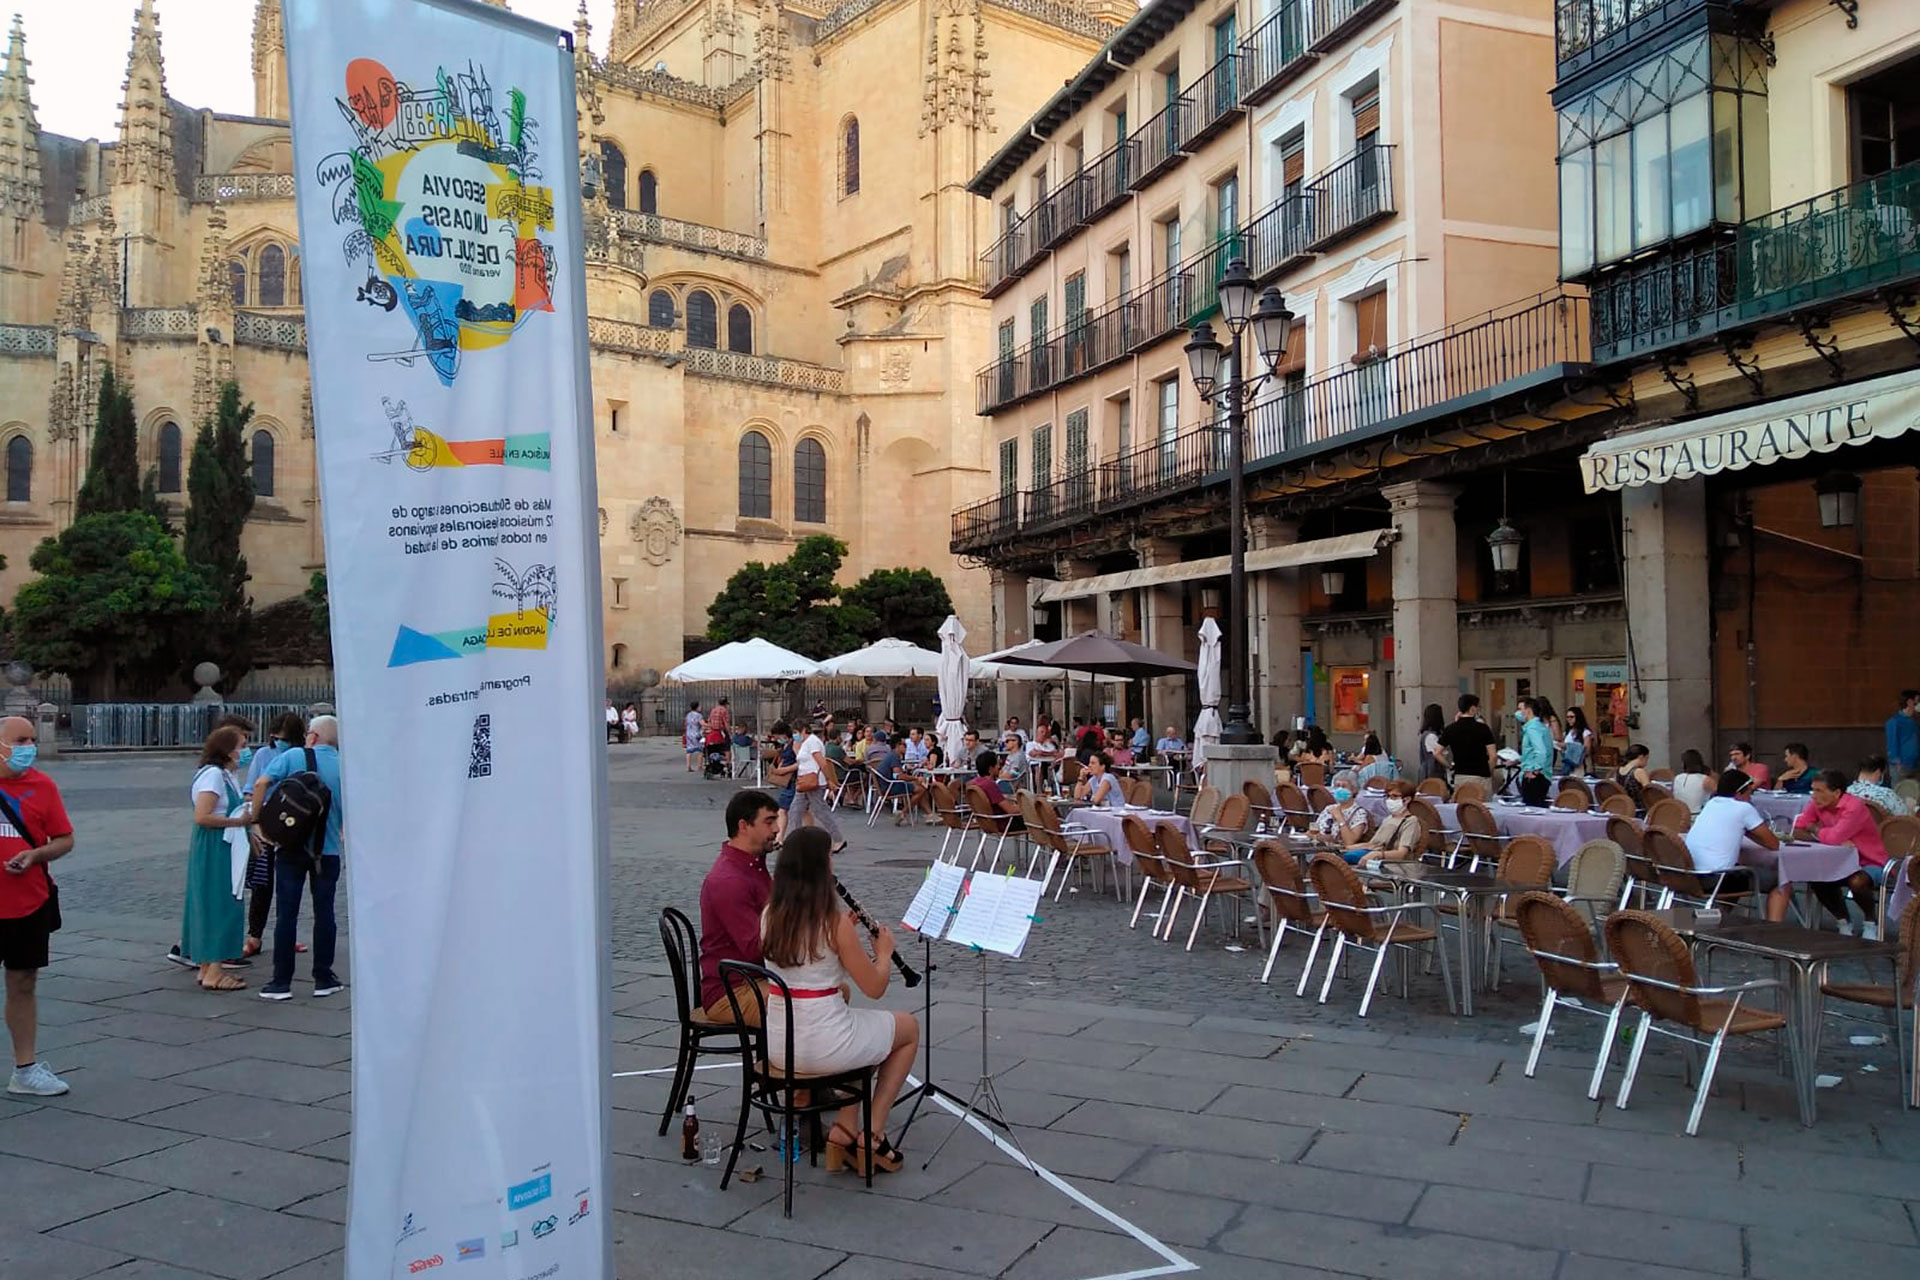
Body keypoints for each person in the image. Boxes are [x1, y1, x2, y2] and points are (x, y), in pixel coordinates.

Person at [760, 827, 919, 1175]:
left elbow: (809, 964)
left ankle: (844, 1130)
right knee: (906, 1029)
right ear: (819, 868)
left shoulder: (770, 914)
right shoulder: (833, 923)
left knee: (859, 1027)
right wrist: (883, 952)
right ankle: (872, 1135)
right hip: (823, 1044)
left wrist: (843, 945)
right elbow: (875, 987)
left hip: (779, 1044)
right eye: (829, 858)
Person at [0, 715, 75, 1096]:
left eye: (32, 739)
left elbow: (64, 839)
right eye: (20, 740)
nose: (29, 747)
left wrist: (36, 854)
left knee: (23, 982)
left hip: (28, 901)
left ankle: (25, 1070)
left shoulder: (42, 786)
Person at [251, 716, 345, 1000]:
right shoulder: (346, 765)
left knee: (286, 915)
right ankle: (323, 978)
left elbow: (261, 783)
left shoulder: (293, 756)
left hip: (290, 848)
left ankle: (281, 982)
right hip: (326, 852)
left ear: (314, 736)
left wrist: (257, 823)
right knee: (325, 913)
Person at [1767, 769, 1888, 936]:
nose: (1814, 796)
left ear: (1837, 792)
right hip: (1836, 859)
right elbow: (1797, 829)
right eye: (1813, 790)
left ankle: (1870, 921)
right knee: (1816, 876)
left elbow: (1834, 837)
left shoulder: (1854, 807)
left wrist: (1815, 829)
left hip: (1868, 861)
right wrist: (1823, 833)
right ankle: (1843, 920)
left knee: (1857, 881)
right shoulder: (1817, 804)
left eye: (1819, 791)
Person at [699, 790, 780, 1025]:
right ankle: (785, 1061)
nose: (776, 829)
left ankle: (787, 1059)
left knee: (834, 993)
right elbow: (756, 948)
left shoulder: (753, 867)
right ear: (744, 826)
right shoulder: (729, 880)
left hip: (755, 978)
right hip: (731, 990)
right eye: (769, 821)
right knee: (812, 1005)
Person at [184, 725, 253, 994]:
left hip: (225, 843)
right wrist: (237, 821)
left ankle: (208, 967)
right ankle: (213, 970)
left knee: (218, 901)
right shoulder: (213, 776)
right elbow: (202, 816)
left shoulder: (225, 775)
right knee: (218, 903)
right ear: (227, 750)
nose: (244, 752)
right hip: (216, 845)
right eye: (241, 746)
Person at [241, 712, 306, 960]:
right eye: (275, 738)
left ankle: (286, 935)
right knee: (262, 883)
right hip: (268, 822)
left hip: (294, 825)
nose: (279, 743)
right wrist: (255, 821)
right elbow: (252, 788)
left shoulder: (301, 755)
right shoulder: (263, 755)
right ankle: (254, 935)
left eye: (284, 739)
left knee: (288, 883)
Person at [1684, 769, 1777, 874]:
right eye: (1749, 792)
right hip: (1718, 877)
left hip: (1692, 875)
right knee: (1778, 879)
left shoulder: (1711, 803)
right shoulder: (1744, 808)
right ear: (1738, 794)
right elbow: (1774, 844)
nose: (1750, 797)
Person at [789, 720, 848, 855]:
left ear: (803, 730)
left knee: (819, 811)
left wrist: (829, 780)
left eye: (796, 732)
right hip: (805, 781)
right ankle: (795, 841)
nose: (795, 735)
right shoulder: (805, 743)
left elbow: (822, 762)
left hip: (813, 782)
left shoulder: (812, 742)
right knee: (796, 810)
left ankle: (837, 838)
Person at [1345, 779, 1425, 869]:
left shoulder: (1410, 822)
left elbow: (1401, 853)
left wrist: (1378, 854)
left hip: (1393, 866)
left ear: (1406, 799)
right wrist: (1345, 847)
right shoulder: (1388, 819)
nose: (1390, 800)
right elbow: (1373, 844)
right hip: (1374, 857)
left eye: (1394, 796)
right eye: (1388, 796)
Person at [871, 735, 931, 824]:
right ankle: (904, 812)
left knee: (919, 787)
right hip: (889, 787)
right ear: (898, 746)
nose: (906, 747)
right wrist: (916, 778)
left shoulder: (891, 756)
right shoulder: (894, 757)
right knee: (920, 789)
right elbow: (898, 776)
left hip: (885, 785)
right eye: (904, 745)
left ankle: (929, 814)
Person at [1438, 695, 1496, 782]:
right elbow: (1493, 756)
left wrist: (1450, 766)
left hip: (1460, 775)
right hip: (1481, 774)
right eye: (1477, 707)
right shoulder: (1483, 728)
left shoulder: (1450, 729)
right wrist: (1489, 771)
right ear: (1472, 708)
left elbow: (1437, 753)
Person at [1309, 773, 1371, 850]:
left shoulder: (1359, 813)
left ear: (1354, 790)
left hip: (1338, 852)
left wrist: (1339, 817)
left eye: (1344, 786)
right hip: (1318, 847)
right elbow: (1315, 830)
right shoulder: (1329, 808)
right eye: (1337, 786)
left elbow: (1350, 841)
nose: (1340, 789)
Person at [1517, 699, 1554, 804]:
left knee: (1531, 807)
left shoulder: (1533, 728)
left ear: (1528, 711)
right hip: (1537, 773)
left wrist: (1535, 771)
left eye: (1520, 709)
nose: (1518, 713)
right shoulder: (1540, 726)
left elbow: (1541, 751)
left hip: (1534, 776)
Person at [766, 722, 800, 840]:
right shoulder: (786, 745)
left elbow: (800, 761)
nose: (775, 739)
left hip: (793, 778)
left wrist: (784, 770)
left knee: (783, 809)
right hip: (789, 780)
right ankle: (780, 838)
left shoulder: (794, 744)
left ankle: (780, 838)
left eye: (776, 736)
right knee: (799, 810)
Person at [968, 752, 1022, 820]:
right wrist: (1027, 807)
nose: (999, 767)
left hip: (986, 822)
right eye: (997, 764)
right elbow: (1011, 810)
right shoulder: (990, 786)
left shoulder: (974, 783)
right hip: (1004, 822)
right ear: (991, 769)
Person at [1887, 689, 1919, 783]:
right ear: (1909, 702)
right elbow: (1892, 744)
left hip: (1915, 765)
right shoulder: (1894, 722)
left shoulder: (1914, 721)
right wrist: (1897, 762)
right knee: (1900, 793)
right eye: (1917, 701)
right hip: (1901, 767)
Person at [1671, 749, 1717, 815]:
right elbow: (1720, 795)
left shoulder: (1677, 778)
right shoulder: (1706, 779)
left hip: (1680, 815)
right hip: (1699, 815)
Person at [1612, 743, 1652, 809]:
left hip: (1624, 806)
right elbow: (1649, 792)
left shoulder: (1618, 770)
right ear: (1641, 757)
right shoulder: (1639, 772)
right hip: (1639, 808)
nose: (1646, 763)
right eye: (1647, 758)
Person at [1560, 707, 1596, 778]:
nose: (1569, 719)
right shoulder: (1567, 733)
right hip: (1569, 764)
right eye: (1567, 717)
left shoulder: (1585, 732)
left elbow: (1587, 750)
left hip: (1581, 765)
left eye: (1571, 717)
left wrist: (1569, 747)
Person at [1417, 705, 1446, 782]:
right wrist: (1449, 766)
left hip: (1427, 772)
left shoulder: (1426, 734)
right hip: (1432, 774)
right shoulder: (1431, 736)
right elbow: (1438, 754)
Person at [683, 701, 705, 772]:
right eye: (699, 706)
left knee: (689, 750)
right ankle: (700, 765)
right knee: (700, 749)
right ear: (697, 707)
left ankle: (688, 766)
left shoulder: (688, 715)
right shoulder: (698, 715)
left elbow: (686, 723)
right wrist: (709, 725)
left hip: (689, 733)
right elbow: (702, 723)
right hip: (696, 734)